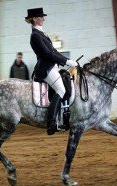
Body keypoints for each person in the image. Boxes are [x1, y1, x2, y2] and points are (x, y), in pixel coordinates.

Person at [25, 7, 78, 135]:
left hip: (52, 67)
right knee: (61, 89)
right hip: (45, 69)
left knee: (65, 85)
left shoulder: (42, 34)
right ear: (34, 19)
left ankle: (63, 117)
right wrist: (67, 62)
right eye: (41, 17)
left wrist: (67, 60)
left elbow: (54, 52)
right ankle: (51, 123)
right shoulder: (35, 36)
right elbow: (48, 54)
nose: (43, 19)